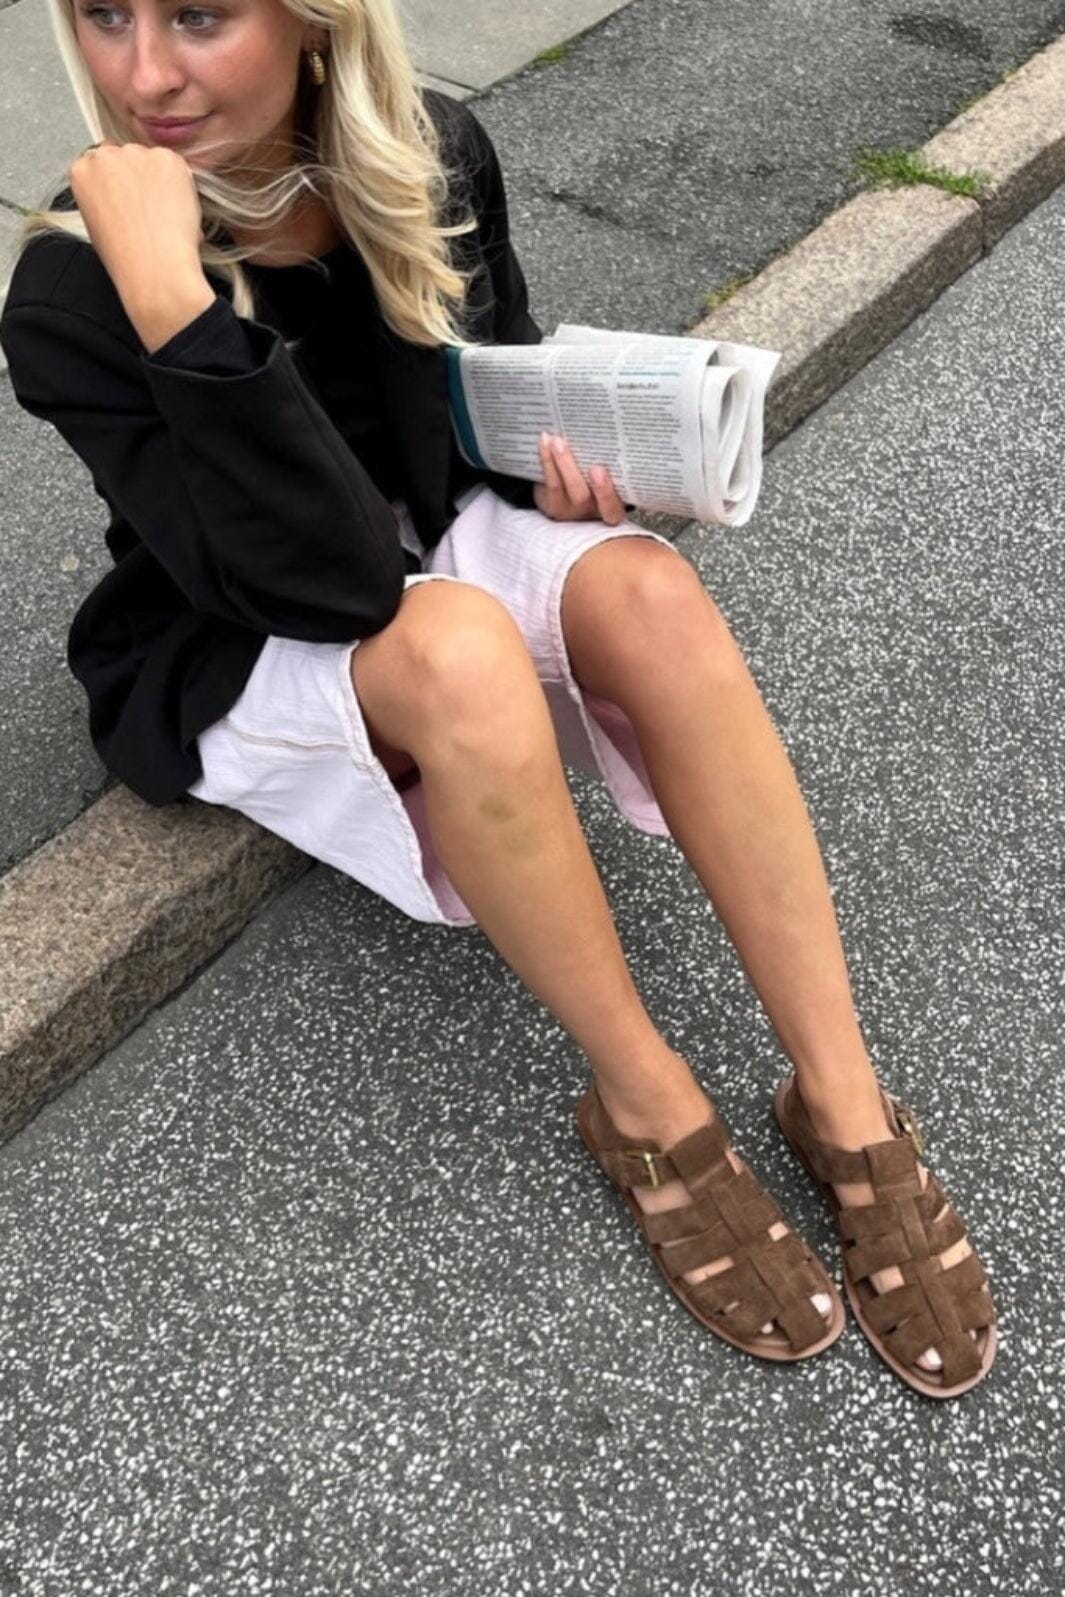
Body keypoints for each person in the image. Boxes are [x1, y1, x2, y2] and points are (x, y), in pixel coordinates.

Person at [0, 0, 995, 1398]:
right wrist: (175, 306)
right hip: (234, 633)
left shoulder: (427, 150)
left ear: (311, 23)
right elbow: (332, 585)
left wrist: (561, 473)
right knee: (459, 647)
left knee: (645, 593)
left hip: (410, 541)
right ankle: (646, 1104)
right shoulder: (71, 292)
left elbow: (477, 393)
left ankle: (840, 1096)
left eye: (199, 14)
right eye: (105, 14)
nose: (144, 72)